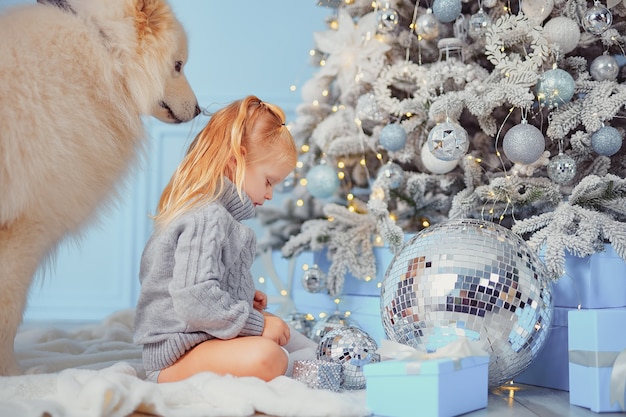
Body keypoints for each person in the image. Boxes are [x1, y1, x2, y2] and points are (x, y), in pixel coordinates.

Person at [133, 95, 310, 384]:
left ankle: (319, 360)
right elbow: (195, 299)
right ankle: (304, 369)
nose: (269, 195)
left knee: (291, 337)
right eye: (268, 181)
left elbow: (193, 281)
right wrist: (258, 324)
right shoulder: (206, 216)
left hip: (200, 339)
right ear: (235, 160)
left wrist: (239, 296)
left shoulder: (215, 215)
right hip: (178, 354)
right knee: (269, 355)